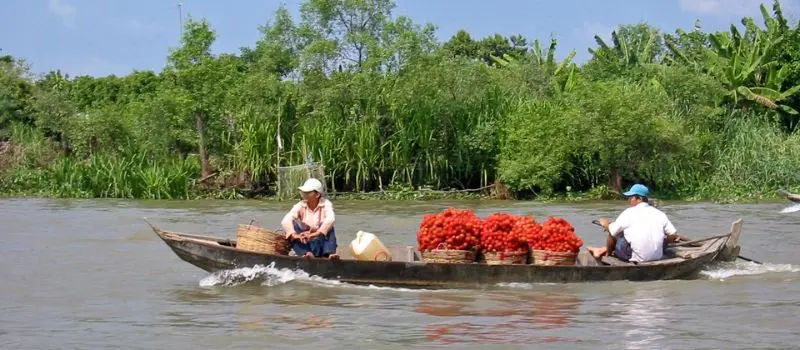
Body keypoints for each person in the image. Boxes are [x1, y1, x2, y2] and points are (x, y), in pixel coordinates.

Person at [587, 184, 689, 263]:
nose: (628, 200)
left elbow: (613, 231)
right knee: (624, 234)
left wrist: (605, 224)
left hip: (635, 257)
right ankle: (602, 250)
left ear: (639, 199)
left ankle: (607, 256)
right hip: (658, 256)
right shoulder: (660, 213)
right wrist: (665, 243)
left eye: (631, 197)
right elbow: (673, 234)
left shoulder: (629, 212)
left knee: (614, 234)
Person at [280, 178, 339, 260]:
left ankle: (330, 254)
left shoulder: (326, 204)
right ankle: (307, 253)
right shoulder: (300, 205)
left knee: (328, 226)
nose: (304, 194)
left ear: (317, 195)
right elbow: (285, 220)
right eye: (304, 192)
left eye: (308, 193)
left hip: (321, 243)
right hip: (306, 243)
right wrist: (295, 235)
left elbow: (331, 219)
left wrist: (314, 234)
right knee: (290, 228)